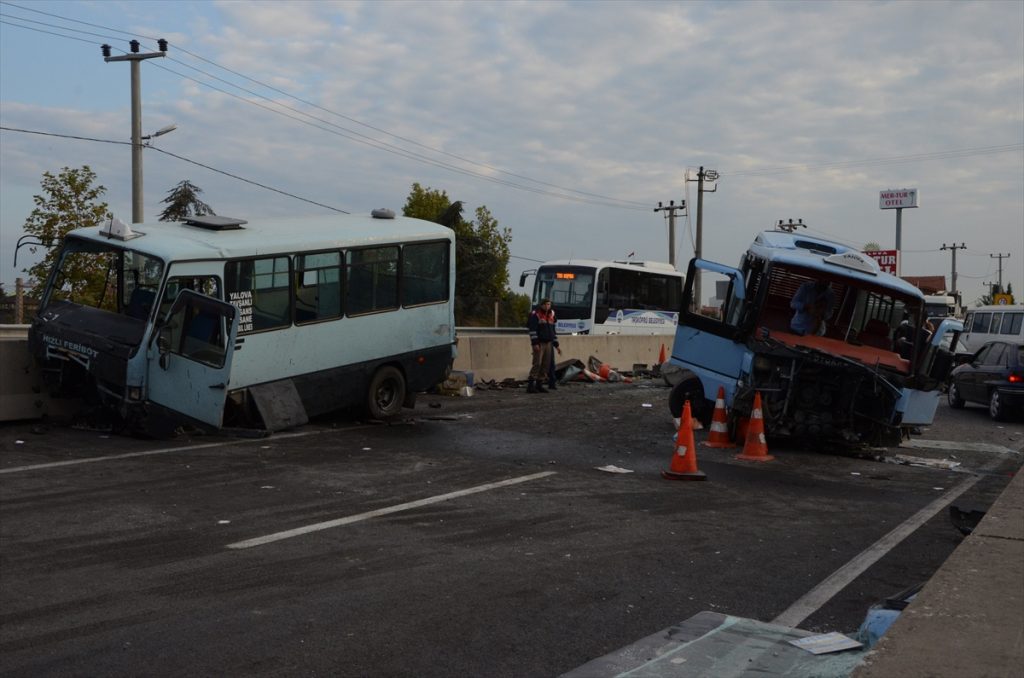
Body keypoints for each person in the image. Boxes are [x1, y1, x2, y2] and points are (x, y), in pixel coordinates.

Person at [526, 298, 557, 393]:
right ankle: (530, 385)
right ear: (542, 305)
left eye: (549, 304)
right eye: (546, 304)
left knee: (545, 365)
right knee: (537, 363)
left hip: (548, 343)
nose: (548, 306)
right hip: (539, 343)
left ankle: (539, 384)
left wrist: (556, 343)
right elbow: (532, 330)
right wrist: (535, 343)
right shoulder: (536, 314)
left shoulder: (551, 314)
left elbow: (553, 330)